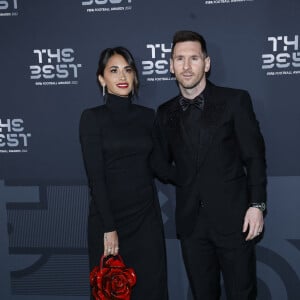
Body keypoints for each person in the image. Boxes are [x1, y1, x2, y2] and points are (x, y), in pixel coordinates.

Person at [153, 30, 267, 300]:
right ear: (171, 66)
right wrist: (183, 177)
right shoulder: (165, 112)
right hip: (192, 225)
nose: (186, 65)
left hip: (236, 220)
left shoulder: (235, 101)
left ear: (207, 63)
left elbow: (255, 157)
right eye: (179, 58)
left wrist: (257, 205)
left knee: (242, 294)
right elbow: (158, 160)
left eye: (194, 58)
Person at [79, 46, 169, 300]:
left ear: (135, 77)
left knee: (152, 288)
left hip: (146, 220)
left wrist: (198, 170)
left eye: (128, 70)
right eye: (114, 70)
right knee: (112, 292)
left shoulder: (147, 117)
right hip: (110, 222)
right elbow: (95, 177)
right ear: (101, 79)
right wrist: (109, 227)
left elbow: (159, 166)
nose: (122, 76)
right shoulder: (92, 118)